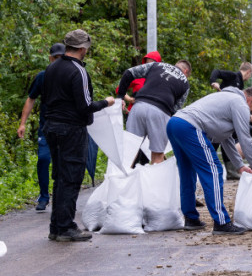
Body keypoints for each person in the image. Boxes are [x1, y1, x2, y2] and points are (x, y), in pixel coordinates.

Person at [41, 29, 115, 242]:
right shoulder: (78, 71)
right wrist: (106, 103)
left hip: (51, 126)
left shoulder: (51, 68)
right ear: (83, 49)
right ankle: (66, 227)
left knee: (59, 176)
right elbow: (84, 106)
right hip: (71, 128)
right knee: (71, 176)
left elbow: (46, 98)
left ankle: (56, 226)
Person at [166, 86, 252, 235]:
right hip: (190, 126)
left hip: (175, 123)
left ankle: (191, 219)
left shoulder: (226, 98)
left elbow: (226, 139)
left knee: (187, 173)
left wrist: (240, 166)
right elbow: (245, 138)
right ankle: (222, 222)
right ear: (251, 99)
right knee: (214, 170)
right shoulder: (239, 103)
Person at [17, 42, 66, 211]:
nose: (58, 61)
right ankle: (44, 196)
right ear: (50, 58)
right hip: (46, 128)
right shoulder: (42, 76)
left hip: (65, 128)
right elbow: (31, 99)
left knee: (63, 163)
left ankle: (61, 196)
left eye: (61, 57)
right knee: (44, 159)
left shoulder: (70, 75)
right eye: (56, 58)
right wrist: (23, 123)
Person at [116, 59, 191, 164]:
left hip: (139, 107)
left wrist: (120, 97)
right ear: (186, 71)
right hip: (161, 112)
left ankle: (123, 180)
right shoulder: (185, 83)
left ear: (176, 65)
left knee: (129, 151)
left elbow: (129, 73)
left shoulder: (156, 65)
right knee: (157, 155)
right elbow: (176, 109)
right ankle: (154, 180)